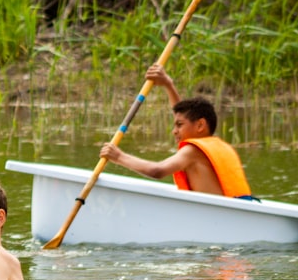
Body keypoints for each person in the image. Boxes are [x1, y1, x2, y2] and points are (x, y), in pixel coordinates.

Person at [99, 64, 254, 198]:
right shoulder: (218, 146)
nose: (174, 131)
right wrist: (168, 84)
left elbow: (157, 171)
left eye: (179, 125)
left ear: (200, 126)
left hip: (218, 217)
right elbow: (184, 116)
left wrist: (118, 156)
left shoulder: (192, 151)